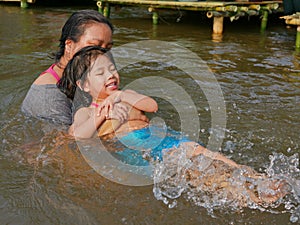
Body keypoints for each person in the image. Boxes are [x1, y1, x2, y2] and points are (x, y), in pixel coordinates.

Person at [58, 46, 290, 207]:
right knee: (191, 172)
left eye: (112, 68)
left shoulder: (126, 94)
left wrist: (120, 97)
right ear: (84, 85)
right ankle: (243, 196)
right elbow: (78, 135)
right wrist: (101, 116)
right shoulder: (86, 112)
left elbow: (152, 105)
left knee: (205, 154)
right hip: (135, 147)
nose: (110, 75)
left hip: (159, 136)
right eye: (100, 72)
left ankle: (257, 179)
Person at [21, 10, 119, 125]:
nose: (102, 54)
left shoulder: (93, 77)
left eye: (107, 48)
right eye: (94, 46)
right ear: (69, 45)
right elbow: (63, 141)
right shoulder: (50, 96)